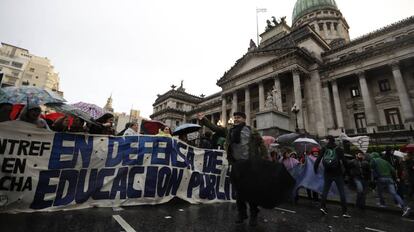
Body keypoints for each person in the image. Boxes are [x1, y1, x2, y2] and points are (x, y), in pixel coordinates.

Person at [198, 111, 267, 226]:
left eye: (238, 118)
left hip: (250, 164)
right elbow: (216, 128)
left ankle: (254, 213)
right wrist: (204, 119)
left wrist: (265, 158)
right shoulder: (230, 131)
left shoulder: (252, 131)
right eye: (235, 118)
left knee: (251, 190)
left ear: (244, 119)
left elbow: (262, 144)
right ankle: (242, 213)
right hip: (236, 164)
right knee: (239, 191)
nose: (236, 119)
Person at [314, 135, 350, 218]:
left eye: (326, 139)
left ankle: (323, 207)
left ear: (328, 140)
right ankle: (344, 211)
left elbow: (318, 159)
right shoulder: (339, 149)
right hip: (338, 173)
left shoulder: (324, 148)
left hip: (327, 173)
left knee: (325, 191)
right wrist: (347, 172)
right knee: (342, 192)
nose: (325, 141)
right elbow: (344, 161)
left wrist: (315, 169)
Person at [371, 152, 411, 217]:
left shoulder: (373, 160)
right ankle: (405, 207)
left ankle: (382, 203)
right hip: (389, 179)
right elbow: (393, 170)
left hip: (380, 178)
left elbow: (371, 169)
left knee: (379, 191)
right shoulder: (385, 161)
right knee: (394, 193)